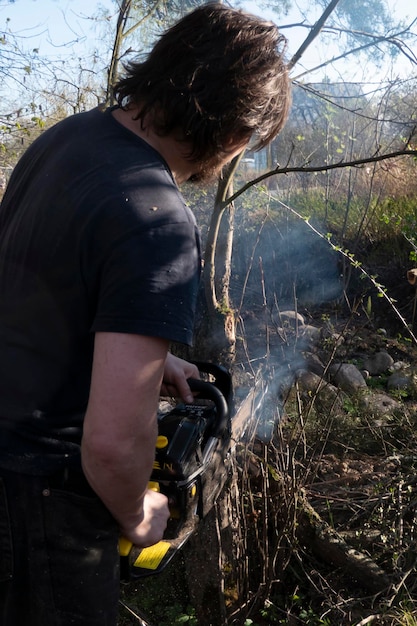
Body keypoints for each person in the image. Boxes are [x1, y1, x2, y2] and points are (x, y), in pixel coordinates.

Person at [0, 3, 291, 624]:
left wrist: (155, 356)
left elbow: (35, 296)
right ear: (237, 133)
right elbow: (109, 446)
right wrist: (138, 512)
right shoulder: (157, 218)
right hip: (43, 504)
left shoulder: (64, 140)